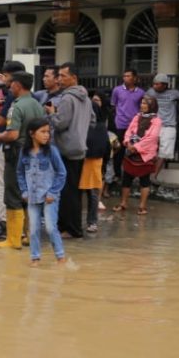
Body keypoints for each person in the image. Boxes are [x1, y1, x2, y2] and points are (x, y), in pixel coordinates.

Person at [0, 71, 45, 250]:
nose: (9, 86)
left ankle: (13, 239)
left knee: (13, 195)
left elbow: (12, 134)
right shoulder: (37, 104)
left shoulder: (17, 106)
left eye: (11, 83)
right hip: (34, 154)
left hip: (16, 155)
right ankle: (30, 236)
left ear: (17, 85)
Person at [44, 62, 92, 238]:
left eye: (64, 76)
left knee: (66, 192)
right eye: (59, 76)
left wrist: (51, 112)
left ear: (74, 78)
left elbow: (60, 123)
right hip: (79, 147)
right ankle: (72, 227)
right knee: (74, 191)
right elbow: (92, 120)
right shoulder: (85, 98)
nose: (60, 79)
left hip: (65, 149)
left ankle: (70, 228)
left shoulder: (67, 98)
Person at [17, 118, 68, 265]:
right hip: (32, 197)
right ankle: (35, 258)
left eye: (48, 132)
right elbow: (19, 172)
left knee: (51, 227)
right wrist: (24, 191)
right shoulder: (24, 152)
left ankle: (60, 257)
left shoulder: (52, 151)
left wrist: (53, 192)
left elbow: (62, 173)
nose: (46, 135)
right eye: (43, 132)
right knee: (33, 229)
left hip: (49, 197)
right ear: (32, 134)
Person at [0, 60, 25, 239]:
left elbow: (0, 122)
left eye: (6, 75)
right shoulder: (30, 100)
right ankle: (19, 227)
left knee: (2, 186)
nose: (3, 78)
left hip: (8, 145)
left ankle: (5, 223)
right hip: (21, 147)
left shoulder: (11, 96)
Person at [116, 96, 162, 215]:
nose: (142, 105)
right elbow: (129, 131)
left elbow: (151, 138)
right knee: (126, 179)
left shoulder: (156, 120)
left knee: (144, 181)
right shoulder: (137, 117)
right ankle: (123, 203)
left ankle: (142, 206)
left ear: (152, 106)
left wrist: (136, 147)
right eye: (142, 103)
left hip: (144, 155)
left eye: (145, 103)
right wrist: (127, 142)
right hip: (130, 153)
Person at [145, 73, 179, 180]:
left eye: (158, 84)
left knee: (164, 153)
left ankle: (154, 176)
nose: (155, 86)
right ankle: (147, 173)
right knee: (150, 149)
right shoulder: (150, 92)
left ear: (164, 85)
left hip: (169, 126)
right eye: (154, 84)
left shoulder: (174, 93)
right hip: (154, 125)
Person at [111, 69, 146, 187]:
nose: (125, 78)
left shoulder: (141, 93)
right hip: (120, 124)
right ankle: (117, 175)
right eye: (124, 76)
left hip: (135, 126)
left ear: (134, 78)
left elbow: (143, 108)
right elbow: (113, 105)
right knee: (118, 150)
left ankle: (134, 175)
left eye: (128, 76)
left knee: (135, 150)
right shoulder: (117, 90)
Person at [82, 92, 110, 233]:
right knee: (91, 195)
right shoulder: (99, 127)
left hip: (91, 164)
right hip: (90, 164)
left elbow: (104, 148)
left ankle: (91, 222)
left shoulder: (97, 127)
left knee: (91, 195)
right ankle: (91, 222)